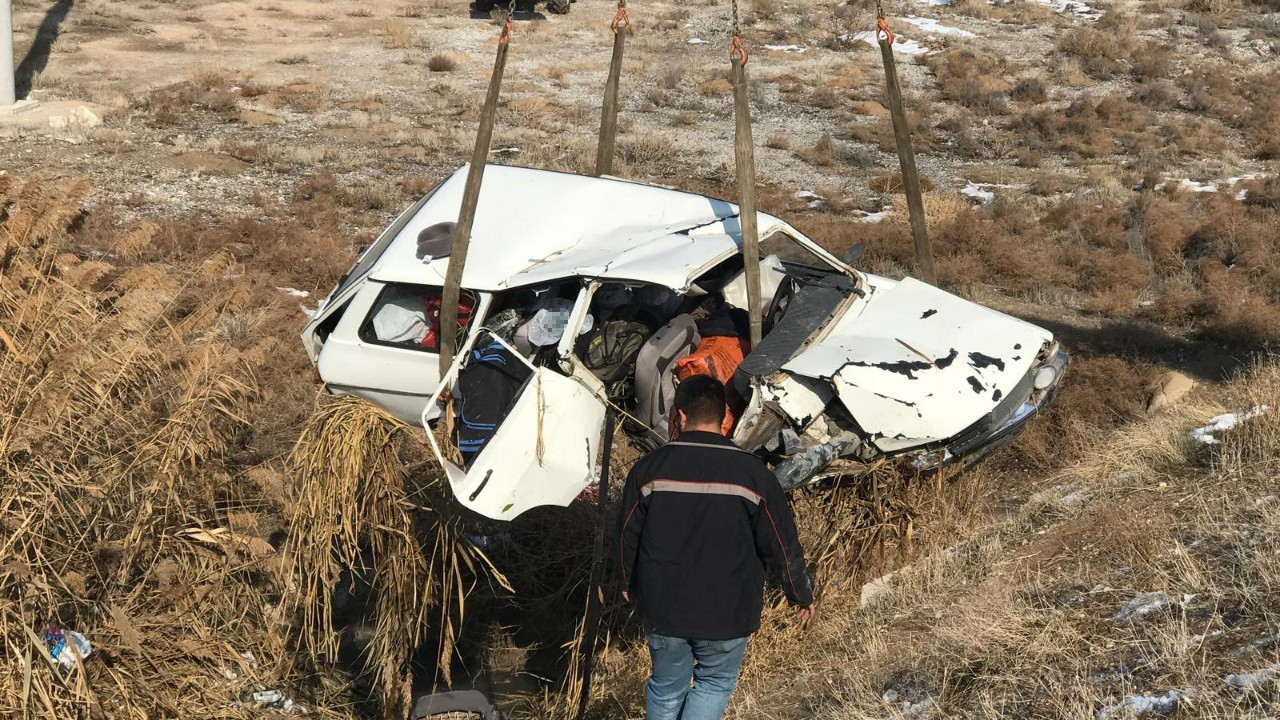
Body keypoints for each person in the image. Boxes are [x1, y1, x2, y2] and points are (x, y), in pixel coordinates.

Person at [617, 375, 817, 720]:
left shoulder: (648, 470)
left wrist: (627, 581)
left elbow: (626, 534)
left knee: (666, 687)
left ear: (679, 416)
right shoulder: (753, 474)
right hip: (729, 612)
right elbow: (781, 543)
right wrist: (800, 593)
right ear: (725, 417)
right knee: (713, 684)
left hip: (664, 607)